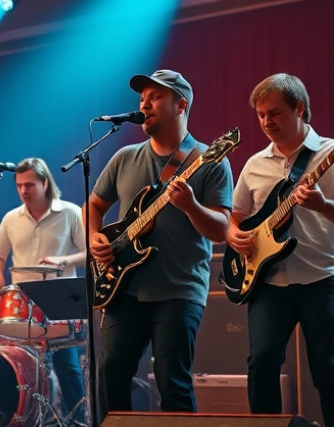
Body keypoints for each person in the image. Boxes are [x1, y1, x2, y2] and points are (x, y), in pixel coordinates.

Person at [83, 69, 233, 413]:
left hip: (179, 289)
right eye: (142, 99)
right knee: (111, 373)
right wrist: (94, 236)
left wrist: (192, 206)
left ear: (180, 105)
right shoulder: (125, 158)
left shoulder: (208, 160)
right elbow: (94, 204)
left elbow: (221, 229)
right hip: (124, 286)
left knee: (172, 381)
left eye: (155, 97)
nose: (144, 104)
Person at [226, 73, 334, 426]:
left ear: (299, 108)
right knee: (262, 364)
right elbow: (236, 214)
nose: (266, 122)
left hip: (323, 275)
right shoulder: (255, 164)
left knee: (328, 372)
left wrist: (320, 204)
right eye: (260, 115)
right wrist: (233, 235)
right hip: (269, 280)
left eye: (274, 113)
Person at [0, 157, 87, 420]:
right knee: (23, 369)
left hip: (61, 299)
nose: (23, 191)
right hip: (24, 301)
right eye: (19, 185)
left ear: (45, 183)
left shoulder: (71, 212)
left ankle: (77, 422)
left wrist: (64, 260)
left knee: (69, 369)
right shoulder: (11, 218)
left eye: (29, 184)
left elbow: (91, 254)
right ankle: (27, 420)